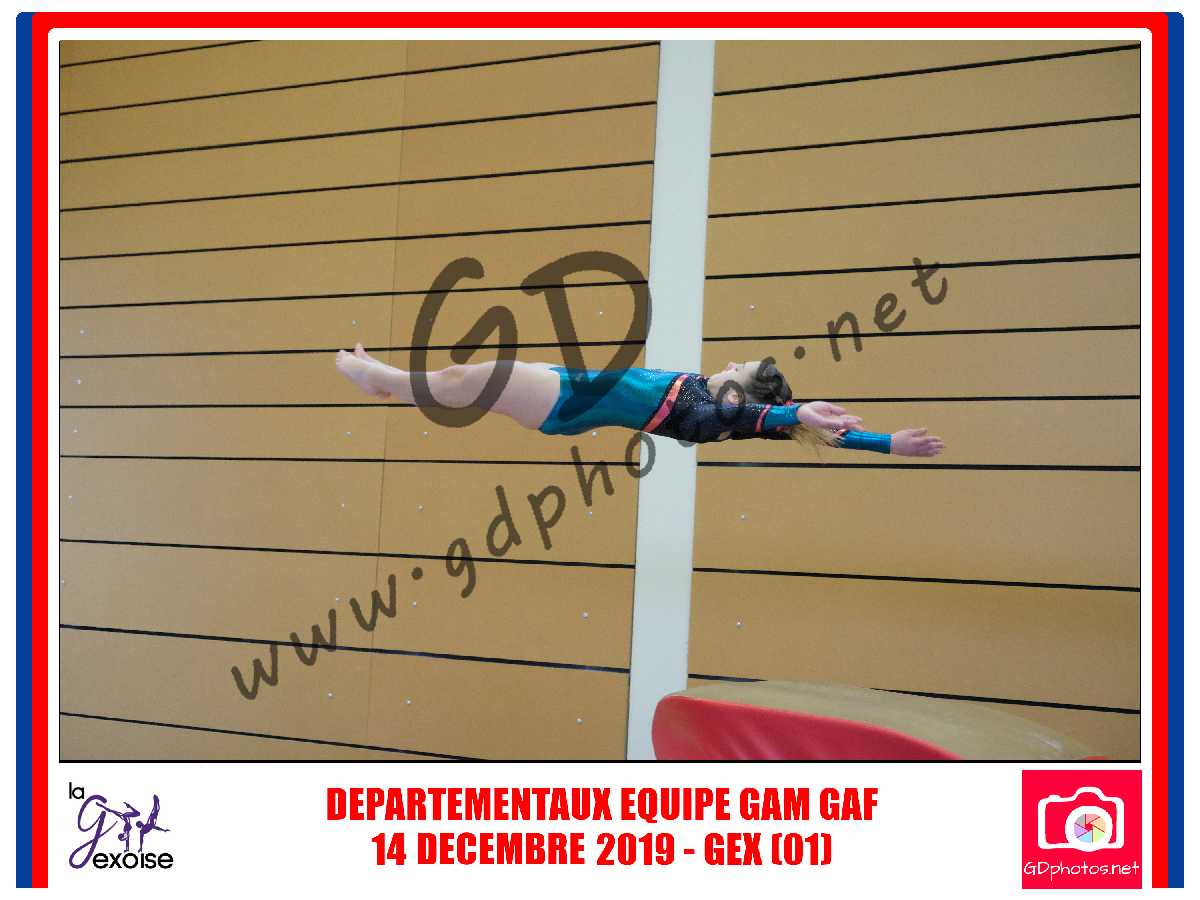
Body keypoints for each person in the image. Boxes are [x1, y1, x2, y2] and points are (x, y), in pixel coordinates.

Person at [334, 344, 944, 456]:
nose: (729, 362)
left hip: (568, 399)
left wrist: (792, 412)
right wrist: (886, 442)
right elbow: (793, 426)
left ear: (743, 388)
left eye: (738, 367)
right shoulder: (729, 409)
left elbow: (743, 414)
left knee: (471, 377)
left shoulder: (713, 414)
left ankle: (381, 378)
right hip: (570, 385)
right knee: (464, 388)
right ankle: (388, 384)